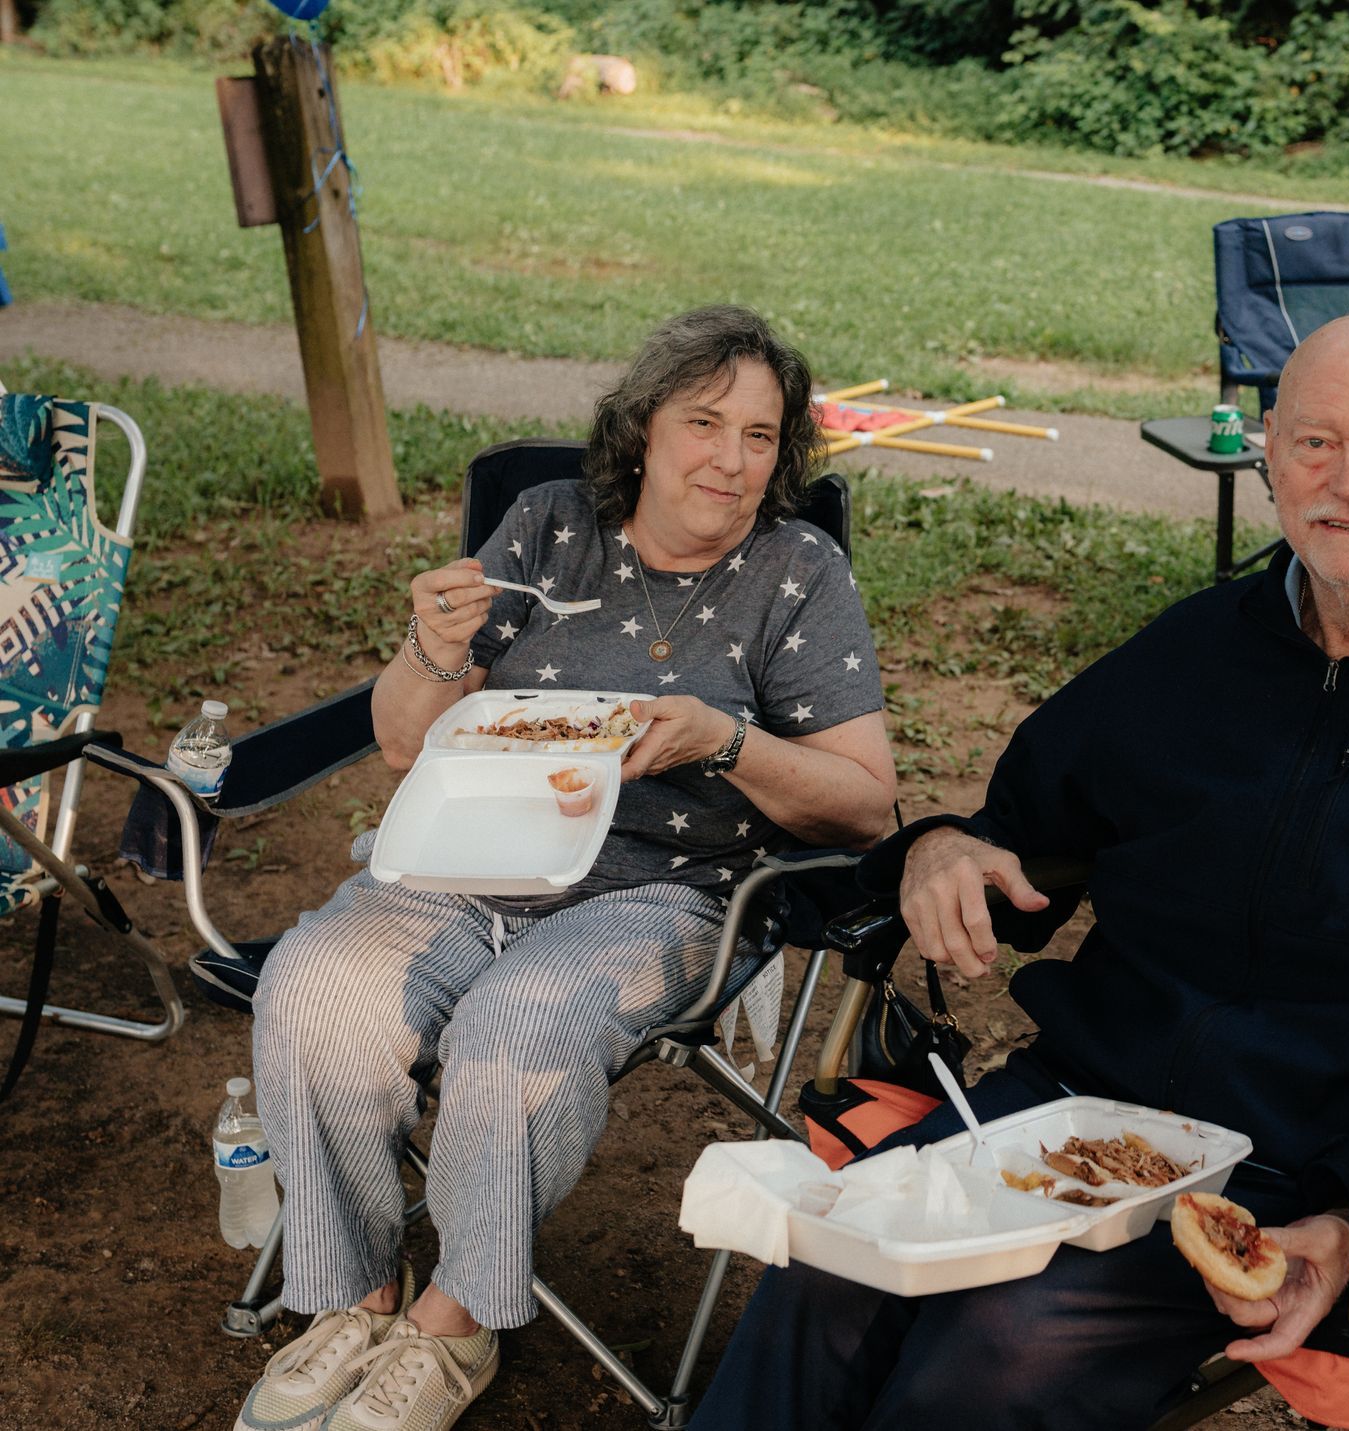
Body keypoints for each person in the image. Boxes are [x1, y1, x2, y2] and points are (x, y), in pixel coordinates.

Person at [691, 312, 1349, 1429]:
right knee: (834, 1265)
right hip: (1074, 1113)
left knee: (1004, 1344)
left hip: (1315, 1170)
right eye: (1314, 446)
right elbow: (1018, 828)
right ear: (1266, 453)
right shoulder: (1202, 647)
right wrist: (945, 848)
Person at [235, 306, 895, 1431]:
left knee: (519, 1029)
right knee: (312, 988)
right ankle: (353, 1293)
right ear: (643, 429)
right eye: (705, 423)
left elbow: (869, 800)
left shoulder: (795, 569)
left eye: (761, 435)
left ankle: (452, 1323)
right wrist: (436, 645)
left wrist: (721, 741)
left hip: (664, 891)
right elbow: (404, 739)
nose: (733, 461)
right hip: (468, 856)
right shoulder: (547, 528)